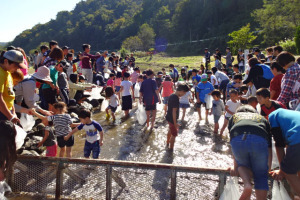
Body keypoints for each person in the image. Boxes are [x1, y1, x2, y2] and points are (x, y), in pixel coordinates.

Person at [228, 105, 272, 200]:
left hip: (238, 137)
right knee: (261, 174)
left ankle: (247, 184)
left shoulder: (234, 117)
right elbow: (269, 146)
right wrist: (268, 166)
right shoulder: (262, 118)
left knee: (242, 165)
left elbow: (232, 141)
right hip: (259, 138)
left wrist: (235, 167)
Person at [268, 109, 300, 198]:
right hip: (297, 137)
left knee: (288, 171)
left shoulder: (273, 116)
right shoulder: (292, 115)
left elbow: (279, 145)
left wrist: (282, 170)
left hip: (298, 138)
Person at [0, 50, 27, 123]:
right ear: (6, 61)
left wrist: (13, 113)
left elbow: (10, 95)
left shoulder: (8, 72)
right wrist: (10, 116)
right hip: (2, 113)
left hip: (8, 111)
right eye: (15, 66)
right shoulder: (1, 74)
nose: (17, 69)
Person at [166, 84, 190, 150]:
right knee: (174, 135)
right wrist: (175, 123)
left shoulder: (172, 95)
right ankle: (171, 150)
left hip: (168, 117)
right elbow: (174, 112)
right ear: (181, 91)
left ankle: (167, 143)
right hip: (172, 119)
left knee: (170, 130)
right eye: (184, 93)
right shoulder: (176, 98)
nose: (184, 94)